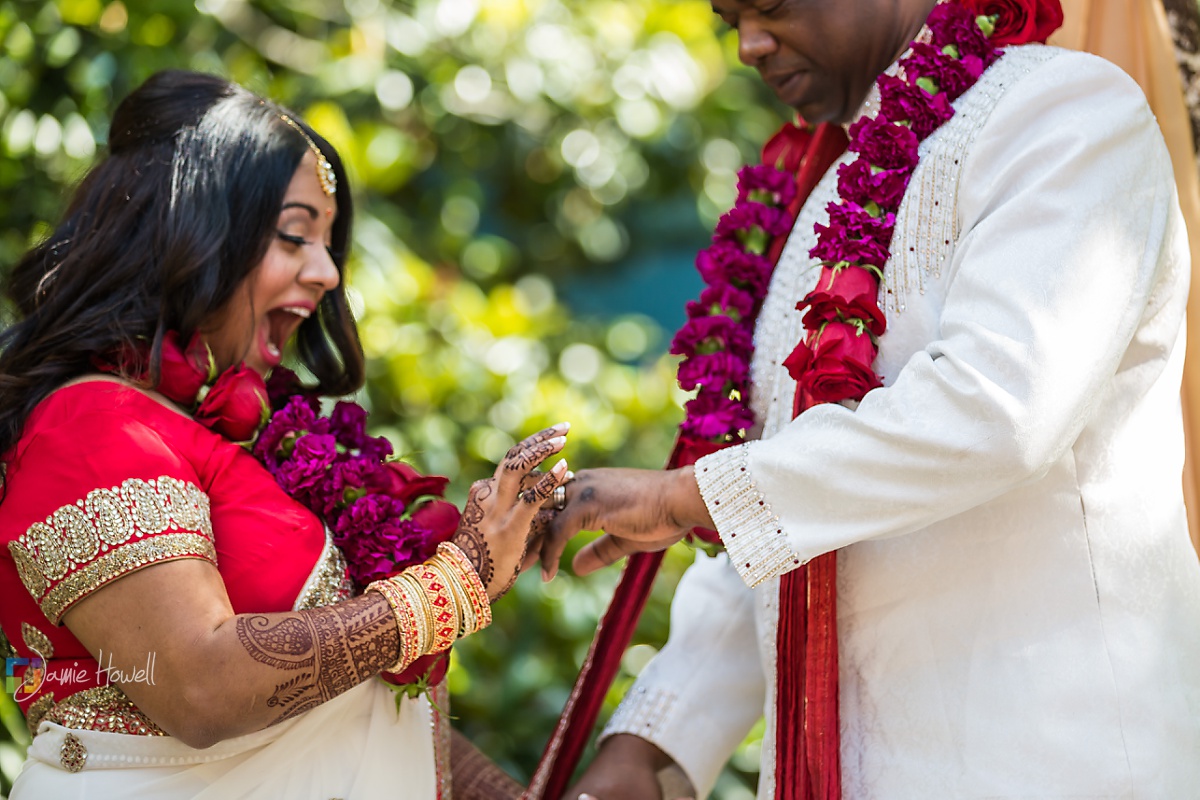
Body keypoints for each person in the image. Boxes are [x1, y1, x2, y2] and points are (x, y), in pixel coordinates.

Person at [542, 0, 1200, 797]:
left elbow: (998, 408)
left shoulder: (1062, 114)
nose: (749, 44)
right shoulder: (823, 192)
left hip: (1051, 755)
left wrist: (686, 496)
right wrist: (652, 745)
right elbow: (783, 498)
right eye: (729, 18)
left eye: (770, 7)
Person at [0, 70, 570, 799]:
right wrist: (457, 582)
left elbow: (337, 699)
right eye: (295, 235)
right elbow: (199, 685)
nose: (329, 273)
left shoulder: (238, 433)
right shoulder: (92, 425)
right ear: (191, 232)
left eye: (328, 245)